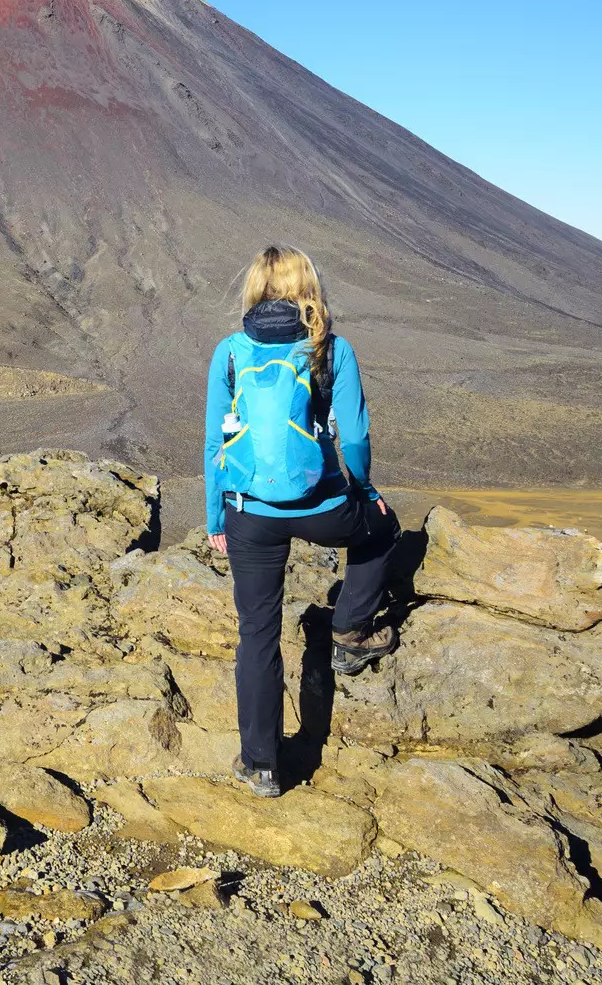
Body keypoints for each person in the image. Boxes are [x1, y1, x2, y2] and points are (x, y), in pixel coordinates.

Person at [205, 244, 395, 798]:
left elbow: (215, 440)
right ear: (308, 286)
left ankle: (261, 765)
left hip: (248, 515)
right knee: (382, 531)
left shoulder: (231, 353)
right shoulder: (331, 349)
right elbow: (354, 438)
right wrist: (364, 491)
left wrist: (217, 515)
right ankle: (349, 631)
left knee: (257, 634)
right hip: (324, 509)